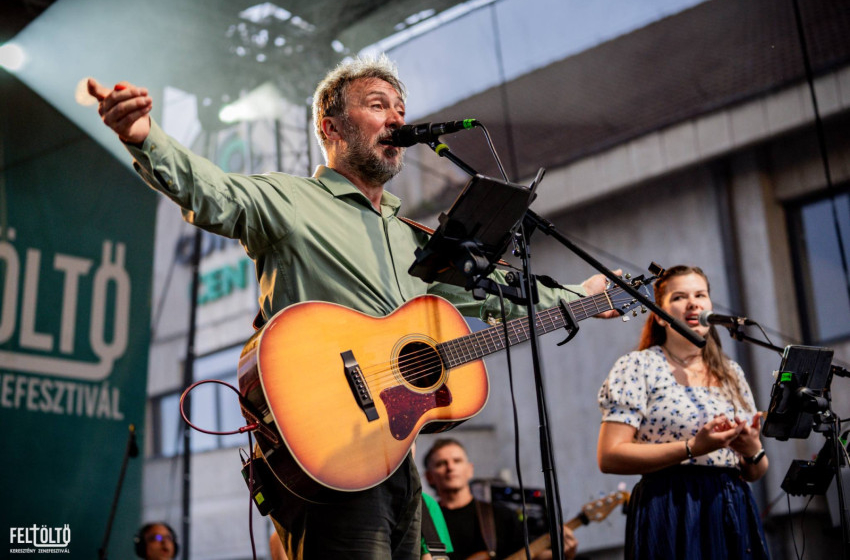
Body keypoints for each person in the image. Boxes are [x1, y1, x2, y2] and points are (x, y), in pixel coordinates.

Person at [88, 54, 610, 560]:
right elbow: (214, 192)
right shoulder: (291, 201)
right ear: (331, 128)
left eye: (401, 109)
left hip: (396, 456)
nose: (397, 119)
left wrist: (581, 299)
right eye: (378, 105)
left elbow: (496, 290)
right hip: (326, 446)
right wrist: (144, 137)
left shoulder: (411, 237)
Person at [596, 265, 770, 559]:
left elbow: (755, 471)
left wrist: (752, 449)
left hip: (732, 504)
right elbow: (609, 456)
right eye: (679, 297)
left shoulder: (731, 372)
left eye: (700, 295)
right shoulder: (638, 366)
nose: (693, 303)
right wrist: (692, 447)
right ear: (659, 315)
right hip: (671, 506)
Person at [423, 438, 578, 560]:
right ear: (429, 476)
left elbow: (529, 554)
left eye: (457, 461)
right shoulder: (425, 521)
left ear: (470, 470)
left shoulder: (500, 515)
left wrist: (563, 554)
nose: (450, 468)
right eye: (441, 464)